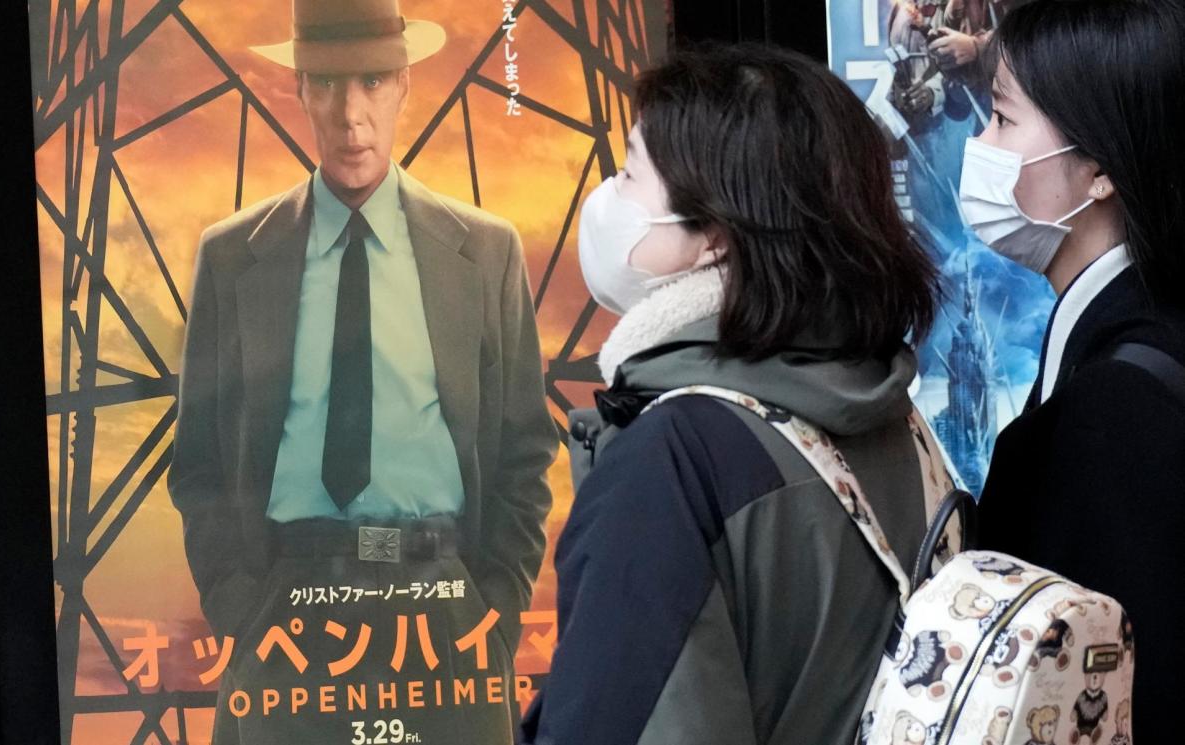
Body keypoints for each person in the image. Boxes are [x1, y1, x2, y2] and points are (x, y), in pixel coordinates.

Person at [520, 43, 946, 745]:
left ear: (715, 236)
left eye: (630, 173)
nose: (607, 196)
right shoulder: (895, 418)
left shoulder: (674, 459)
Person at [167, 0, 558, 742]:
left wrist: (494, 611)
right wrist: (240, 607)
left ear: (406, 82)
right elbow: (198, 465)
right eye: (329, 83)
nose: (352, 115)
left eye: (374, 81)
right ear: (300, 89)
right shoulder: (232, 256)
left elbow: (525, 452)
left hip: (445, 600)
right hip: (285, 604)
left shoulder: (484, 253)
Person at [964, 1, 1185, 740]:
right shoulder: (1127, 331)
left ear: (1097, 170)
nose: (982, 144)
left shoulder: (1119, 402)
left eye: (1001, 117)